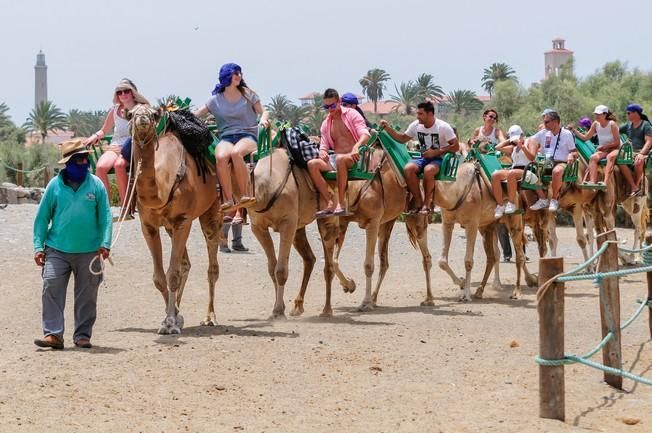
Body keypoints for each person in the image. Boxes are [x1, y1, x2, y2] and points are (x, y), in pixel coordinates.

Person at [33, 140, 112, 350]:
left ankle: (82, 335)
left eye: (86, 159)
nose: (84, 163)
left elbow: (105, 217)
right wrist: (38, 247)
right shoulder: (54, 186)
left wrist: (105, 243)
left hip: (89, 251)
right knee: (51, 285)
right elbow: (42, 219)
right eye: (78, 160)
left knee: (87, 296)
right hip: (56, 249)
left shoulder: (96, 185)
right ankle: (53, 335)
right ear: (67, 163)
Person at [194, 63, 270, 211]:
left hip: (248, 134)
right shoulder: (215, 100)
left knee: (236, 153)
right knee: (221, 157)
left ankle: (245, 195)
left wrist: (263, 120)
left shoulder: (248, 94)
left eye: (240, 73)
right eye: (236, 73)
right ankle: (228, 200)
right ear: (227, 76)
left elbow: (264, 112)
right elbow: (196, 114)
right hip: (227, 137)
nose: (239, 76)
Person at [380, 101, 459, 214]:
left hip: (440, 158)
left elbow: (455, 146)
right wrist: (387, 129)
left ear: (430, 114)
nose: (418, 116)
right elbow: (402, 138)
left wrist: (436, 152)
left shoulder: (443, 127)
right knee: (408, 169)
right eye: (417, 114)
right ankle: (418, 200)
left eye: (420, 114)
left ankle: (427, 204)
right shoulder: (416, 125)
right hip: (423, 157)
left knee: (429, 170)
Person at [84, 78, 149, 209]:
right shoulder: (114, 110)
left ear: (133, 93)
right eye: (120, 92)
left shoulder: (142, 109)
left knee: (119, 165)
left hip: (133, 145)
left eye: (126, 91)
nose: (123, 94)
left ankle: (126, 206)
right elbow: (104, 130)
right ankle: (105, 206)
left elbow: (145, 131)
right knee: (101, 167)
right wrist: (95, 136)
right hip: (115, 146)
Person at [307, 88, 370, 216]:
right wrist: (322, 152)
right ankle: (329, 203)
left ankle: (341, 203)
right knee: (312, 164)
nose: (330, 109)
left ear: (339, 102)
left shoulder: (352, 114)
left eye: (333, 105)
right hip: (336, 158)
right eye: (327, 106)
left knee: (341, 159)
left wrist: (356, 147)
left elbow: (365, 134)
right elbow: (324, 145)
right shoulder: (326, 123)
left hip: (356, 157)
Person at [528, 109, 578, 212]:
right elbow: (531, 140)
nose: (544, 124)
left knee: (557, 171)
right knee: (530, 172)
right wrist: (532, 150)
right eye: (544, 122)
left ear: (555, 121)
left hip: (562, 163)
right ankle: (543, 199)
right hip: (547, 163)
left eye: (547, 122)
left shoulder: (567, 134)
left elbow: (574, 152)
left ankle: (554, 199)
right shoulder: (543, 133)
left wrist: (571, 155)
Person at [493, 125, 548, 218]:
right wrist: (510, 139)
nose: (516, 140)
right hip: (514, 170)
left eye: (518, 137)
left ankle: (511, 204)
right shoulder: (513, 147)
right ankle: (500, 205)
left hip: (528, 169)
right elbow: (497, 147)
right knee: (495, 175)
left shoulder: (530, 141)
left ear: (522, 135)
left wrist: (522, 147)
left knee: (511, 173)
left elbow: (532, 157)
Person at [568, 105, 620, 187]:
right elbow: (585, 138)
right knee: (593, 158)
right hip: (604, 150)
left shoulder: (612, 124)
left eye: (599, 114)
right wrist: (574, 130)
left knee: (610, 157)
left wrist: (604, 147)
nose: (597, 116)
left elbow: (617, 143)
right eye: (596, 114)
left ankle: (605, 182)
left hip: (615, 149)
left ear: (605, 114)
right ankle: (592, 182)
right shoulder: (595, 124)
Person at [616, 104, 652, 196]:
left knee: (638, 162)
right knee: (620, 160)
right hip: (630, 152)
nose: (627, 115)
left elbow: (648, 142)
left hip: (642, 152)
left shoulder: (646, 125)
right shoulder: (628, 125)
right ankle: (633, 186)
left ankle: (637, 185)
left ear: (636, 113)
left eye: (629, 113)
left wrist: (641, 154)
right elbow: (615, 130)